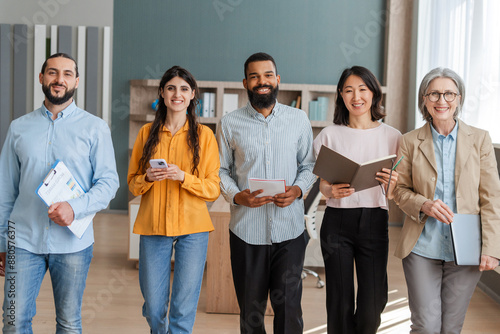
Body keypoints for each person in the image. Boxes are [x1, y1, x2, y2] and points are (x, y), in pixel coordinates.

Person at [0, 53, 119, 333]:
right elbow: (5, 189)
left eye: (67, 74)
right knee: (13, 321)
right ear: (42, 78)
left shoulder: (95, 128)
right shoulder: (18, 128)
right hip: (22, 240)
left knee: (68, 322)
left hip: (73, 245)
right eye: (52, 73)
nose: (59, 79)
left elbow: (108, 182)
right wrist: (3, 240)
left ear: (76, 81)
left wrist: (74, 208)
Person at [393, 67, 500, 333]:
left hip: (466, 248)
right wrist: (423, 205)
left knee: (451, 327)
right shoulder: (408, 141)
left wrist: (492, 248)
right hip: (422, 246)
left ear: (459, 98)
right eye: (434, 94)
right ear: (424, 100)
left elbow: (491, 197)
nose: (442, 100)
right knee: (426, 326)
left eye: (449, 93)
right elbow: (399, 190)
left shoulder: (480, 139)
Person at [216, 52, 316, 334]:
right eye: (255, 76)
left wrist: (297, 190)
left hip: (290, 231)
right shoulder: (228, 123)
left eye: (268, 75)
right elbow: (220, 170)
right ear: (245, 83)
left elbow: (309, 165)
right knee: (251, 313)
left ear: (278, 79)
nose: (262, 81)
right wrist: (238, 196)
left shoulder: (299, 119)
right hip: (246, 231)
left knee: (289, 311)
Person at [127, 66, 220, 334]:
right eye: (170, 88)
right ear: (162, 94)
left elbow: (213, 188)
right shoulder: (146, 133)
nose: (176, 94)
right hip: (153, 226)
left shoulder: (205, 136)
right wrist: (148, 178)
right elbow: (132, 183)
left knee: (183, 306)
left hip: (193, 229)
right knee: (155, 307)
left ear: (192, 95)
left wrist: (183, 177)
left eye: (183, 89)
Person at [313, 66, 402, 334]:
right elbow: (323, 184)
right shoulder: (329, 135)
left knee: (373, 301)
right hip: (338, 221)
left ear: (374, 94)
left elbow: (397, 192)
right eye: (349, 90)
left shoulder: (393, 136)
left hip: (374, 219)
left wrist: (394, 184)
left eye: (363, 89)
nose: (356, 96)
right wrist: (329, 192)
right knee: (339, 299)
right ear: (341, 95)